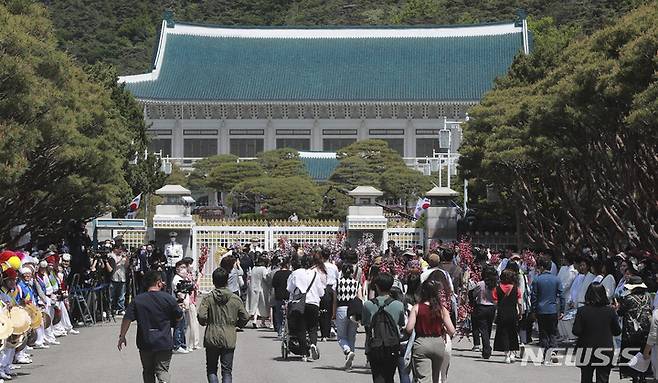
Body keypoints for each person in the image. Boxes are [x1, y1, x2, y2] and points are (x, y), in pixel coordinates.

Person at [118, 271, 184, 383]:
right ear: (158, 283)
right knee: (162, 370)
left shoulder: (138, 300)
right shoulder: (168, 298)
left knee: (148, 371)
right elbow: (179, 317)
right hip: (164, 341)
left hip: (145, 342)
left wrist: (122, 335)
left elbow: (127, 319)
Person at [197, 267, 249, 383]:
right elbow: (245, 316)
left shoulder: (208, 298)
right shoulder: (235, 299)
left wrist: (205, 322)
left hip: (212, 335)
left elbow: (201, 316)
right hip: (229, 335)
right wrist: (237, 324)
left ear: (213, 281)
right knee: (227, 371)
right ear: (227, 281)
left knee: (211, 369)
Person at [406, 279, 455, 383]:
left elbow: (409, 328)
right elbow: (452, 330)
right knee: (435, 377)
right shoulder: (441, 309)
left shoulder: (417, 308)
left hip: (422, 342)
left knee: (423, 378)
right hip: (438, 343)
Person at [572, 283, 621, 383]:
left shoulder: (582, 311)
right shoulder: (610, 311)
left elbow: (576, 331)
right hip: (605, 349)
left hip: (586, 349)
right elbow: (617, 331)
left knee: (586, 378)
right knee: (603, 379)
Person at [362, 272, 405, 383]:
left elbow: (366, 325)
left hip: (375, 345)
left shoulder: (368, 305)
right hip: (392, 345)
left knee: (377, 376)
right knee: (389, 376)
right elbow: (401, 324)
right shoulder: (399, 305)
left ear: (376, 286)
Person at [286, 254, 327, 361]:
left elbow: (289, 288)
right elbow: (321, 292)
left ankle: (304, 353)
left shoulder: (295, 273)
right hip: (314, 302)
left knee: (301, 328)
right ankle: (313, 343)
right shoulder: (315, 274)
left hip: (300, 303)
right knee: (313, 327)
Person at [617, 275, 652, 383]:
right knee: (643, 353)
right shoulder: (648, 297)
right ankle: (643, 376)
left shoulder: (628, 298)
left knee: (630, 354)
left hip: (631, 331)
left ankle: (634, 376)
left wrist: (618, 306)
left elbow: (620, 312)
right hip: (646, 330)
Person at [531, 255, 565, 364]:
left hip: (541, 310)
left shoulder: (537, 279)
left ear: (540, 267)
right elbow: (562, 295)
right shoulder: (556, 279)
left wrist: (533, 310)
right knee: (553, 332)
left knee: (543, 332)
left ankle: (546, 354)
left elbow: (534, 297)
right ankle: (553, 350)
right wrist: (562, 309)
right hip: (553, 309)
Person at [333, 262, 361, 370]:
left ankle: (347, 350)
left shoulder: (337, 283)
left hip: (341, 309)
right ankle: (350, 360)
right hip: (353, 310)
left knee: (341, 336)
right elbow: (360, 298)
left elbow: (335, 300)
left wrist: (333, 313)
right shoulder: (356, 283)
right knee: (351, 336)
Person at [492, 268, 522, 363]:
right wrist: (520, 313)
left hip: (502, 313)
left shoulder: (496, 289)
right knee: (513, 333)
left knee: (503, 333)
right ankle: (513, 354)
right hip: (513, 313)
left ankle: (507, 355)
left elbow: (495, 304)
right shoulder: (516, 288)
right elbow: (520, 303)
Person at [470, 265, 497, 359]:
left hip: (481, 307)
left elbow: (474, 294)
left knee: (483, 329)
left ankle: (486, 349)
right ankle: (487, 344)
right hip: (492, 308)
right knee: (488, 328)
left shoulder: (481, 284)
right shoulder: (495, 285)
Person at [319, 248, 338, 341]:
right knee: (330, 311)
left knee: (322, 311)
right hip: (331, 288)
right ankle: (328, 330)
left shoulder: (319, 266)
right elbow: (337, 277)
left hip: (322, 288)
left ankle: (324, 334)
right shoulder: (333, 267)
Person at [246, 254, 270, 328]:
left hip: (253, 288)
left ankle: (255, 320)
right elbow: (266, 278)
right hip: (262, 288)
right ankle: (262, 322)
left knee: (255, 305)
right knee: (262, 305)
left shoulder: (254, 268)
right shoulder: (263, 269)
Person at [270, 257, 292, 339]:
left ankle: (280, 331)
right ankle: (288, 331)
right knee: (288, 315)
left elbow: (273, 284)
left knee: (279, 314)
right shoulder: (290, 273)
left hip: (279, 295)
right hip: (288, 296)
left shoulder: (277, 273)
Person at [171, 261, 190, 354]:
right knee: (179, 326)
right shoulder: (177, 279)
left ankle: (182, 344)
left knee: (182, 326)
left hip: (183, 304)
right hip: (179, 305)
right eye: (182, 267)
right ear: (177, 269)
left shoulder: (183, 279)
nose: (184, 270)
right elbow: (179, 293)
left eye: (185, 267)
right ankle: (177, 345)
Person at [109, 245, 128, 315]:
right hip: (114, 277)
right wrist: (120, 259)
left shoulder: (123, 257)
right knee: (112, 295)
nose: (120, 251)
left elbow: (126, 266)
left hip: (122, 278)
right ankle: (111, 308)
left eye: (121, 250)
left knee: (122, 295)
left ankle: (120, 308)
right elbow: (114, 265)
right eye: (119, 249)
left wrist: (127, 258)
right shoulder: (112, 256)